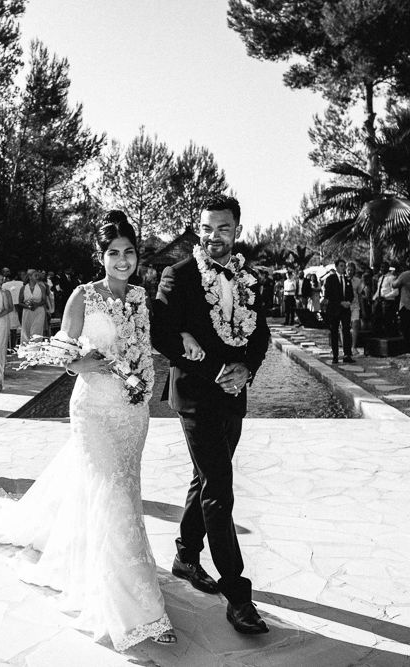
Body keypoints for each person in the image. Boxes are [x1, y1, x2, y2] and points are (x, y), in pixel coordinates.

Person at [0, 211, 175, 650]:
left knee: (120, 495)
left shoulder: (143, 298)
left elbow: (145, 346)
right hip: (93, 410)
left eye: (128, 252)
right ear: (101, 256)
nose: (122, 260)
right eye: (113, 253)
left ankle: (104, 566)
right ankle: (139, 612)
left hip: (133, 413)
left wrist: (153, 374)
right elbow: (64, 354)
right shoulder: (82, 297)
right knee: (115, 498)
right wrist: (80, 363)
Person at [152, 195, 271, 635]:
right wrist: (208, 362)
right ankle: (238, 595)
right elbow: (160, 331)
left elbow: (260, 335)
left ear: (236, 230)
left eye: (222, 228)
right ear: (197, 229)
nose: (212, 236)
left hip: (234, 395)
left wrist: (246, 370)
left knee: (206, 479)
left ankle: (186, 554)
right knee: (220, 487)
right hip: (196, 396)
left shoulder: (251, 279)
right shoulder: (178, 275)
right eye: (206, 228)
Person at [324, 258, 355, 364]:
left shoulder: (347, 279)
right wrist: (340, 302)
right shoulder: (330, 279)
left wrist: (348, 302)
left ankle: (347, 354)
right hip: (334, 309)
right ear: (336, 267)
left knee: (346, 331)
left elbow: (351, 294)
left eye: (344, 266)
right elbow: (328, 294)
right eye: (341, 266)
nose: (343, 268)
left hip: (345, 310)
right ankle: (335, 356)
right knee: (334, 332)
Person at [19, 270, 47, 343]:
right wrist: (27, 306)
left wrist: (36, 304)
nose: (37, 277)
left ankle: (36, 348)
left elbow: (44, 301)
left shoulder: (42, 288)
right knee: (26, 331)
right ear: (30, 277)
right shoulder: (23, 288)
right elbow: (20, 302)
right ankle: (26, 349)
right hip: (27, 312)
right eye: (35, 275)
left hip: (39, 311)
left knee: (36, 330)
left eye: (38, 275)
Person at [373, 262, 399, 335]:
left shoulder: (392, 278)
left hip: (388, 302)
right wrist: (374, 298)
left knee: (388, 320)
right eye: (381, 267)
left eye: (384, 267)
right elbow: (379, 290)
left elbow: (396, 292)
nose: (382, 269)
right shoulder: (381, 278)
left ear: (388, 268)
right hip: (379, 302)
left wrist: (385, 297)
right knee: (378, 320)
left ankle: (390, 335)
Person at [1, 268, 24, 349]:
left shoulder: (4, 285)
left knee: (11, 329)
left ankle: (11, 346)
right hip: (21, 307)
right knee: (22, 327)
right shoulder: (22, 283)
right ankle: (21, 345)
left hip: (9, 308)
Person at [347, 262, 363, 356]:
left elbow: (360, 294)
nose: (349, 271)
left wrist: (362, 308)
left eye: (351, 270)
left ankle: (354, 346)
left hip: (355, 305)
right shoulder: (342, 279)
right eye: (348, 270)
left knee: (355, 324)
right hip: (345, 305)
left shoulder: (358, 281)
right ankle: (346, 346)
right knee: (344, 326)